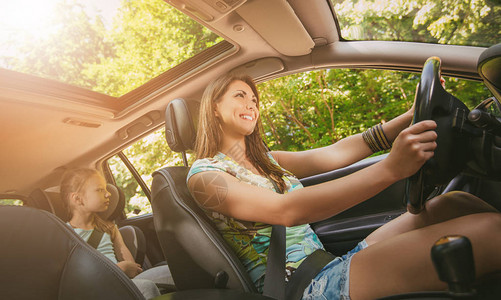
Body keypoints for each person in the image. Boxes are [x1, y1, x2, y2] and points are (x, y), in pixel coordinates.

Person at [187, 72, 501, 300]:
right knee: (492, 230)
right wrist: (391, 168)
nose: (251, 105)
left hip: (331, 266)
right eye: (239, 96)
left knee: (455, 203)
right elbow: (287, 211)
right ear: (213, 107)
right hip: (308, 290)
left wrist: (408, 117)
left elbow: (336, 153)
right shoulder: (205, 177)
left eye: (254, 99)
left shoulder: (268, 159)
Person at [61, 168, 161, 300]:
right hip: (96, 288)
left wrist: (126, 268)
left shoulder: (108, 228)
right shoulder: (65, 235)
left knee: (172, 273)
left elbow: (129, 264)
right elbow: (77, 280)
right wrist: (119, 269)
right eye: (100, 190)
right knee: (147, 288)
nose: (108, 194)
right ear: (78, 199)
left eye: (106, 189)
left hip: (120, 280)